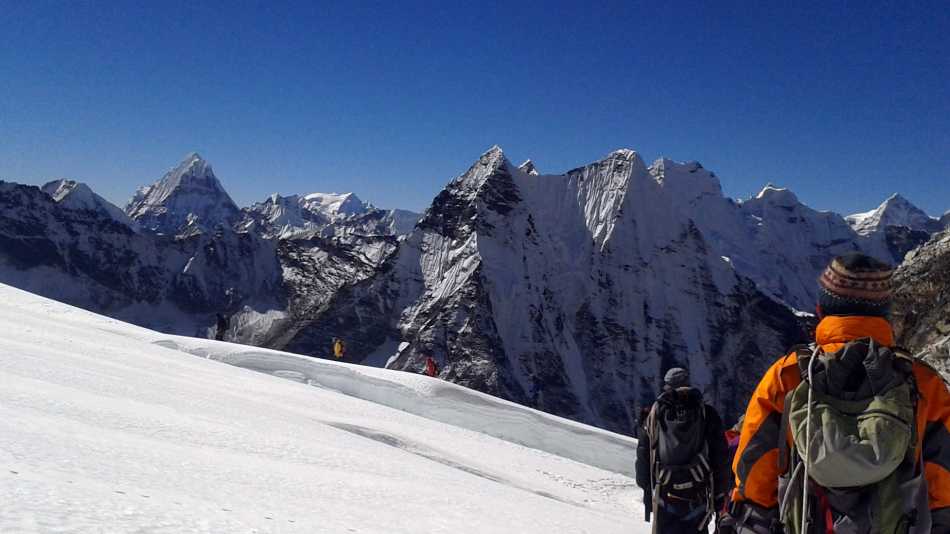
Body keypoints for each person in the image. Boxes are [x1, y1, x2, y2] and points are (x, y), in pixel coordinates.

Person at [724, 254, 950, 534]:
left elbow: (755, 466)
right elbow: (944, 473)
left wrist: (750, 519)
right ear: (884, 313)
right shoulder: (922, 382)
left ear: (821, 309)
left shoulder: (788, 375)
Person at [636, 367, 731, 533]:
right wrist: (719, 497)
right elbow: (720, 458)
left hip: (665, 495)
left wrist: (646, 488)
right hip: (697, 497)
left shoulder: (655, 414)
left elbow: (644, 454)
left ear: (666, 385)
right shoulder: (707, 414)